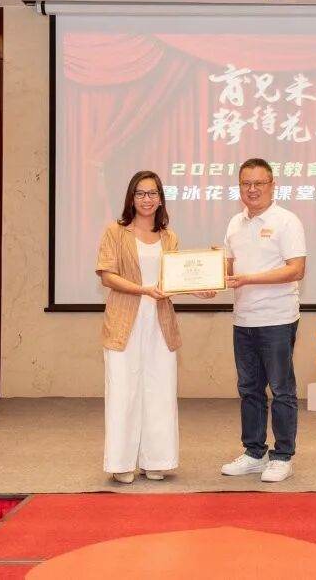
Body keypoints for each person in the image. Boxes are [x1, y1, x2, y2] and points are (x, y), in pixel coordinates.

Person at [95, 170, 215, 484]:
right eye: (140, 193)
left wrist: (199, 289)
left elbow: (174, 280)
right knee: (123, 391)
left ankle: (156, 460)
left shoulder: (169, 237)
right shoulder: (115, 231)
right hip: (124, 322)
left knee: (160, 390)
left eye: (152, 193)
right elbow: (107, 275)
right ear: (131, 197)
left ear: (161, 198)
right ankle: (121, 463)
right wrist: (143, 290)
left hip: (160, 323)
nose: (146, 199)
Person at [220, 158, 307, 482]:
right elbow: (228, 269)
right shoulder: (235, 223)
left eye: (259, 183)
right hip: (244, 319)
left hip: (277, 318)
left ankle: (282, 456)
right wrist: (208, 283)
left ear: (272, 186)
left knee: (282, 390)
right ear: (239, 187)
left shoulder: (287, 221)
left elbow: (296, 269)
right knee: (249, 389)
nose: (252, 189)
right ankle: (254, 452)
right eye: (246, 183)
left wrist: (248, 279)